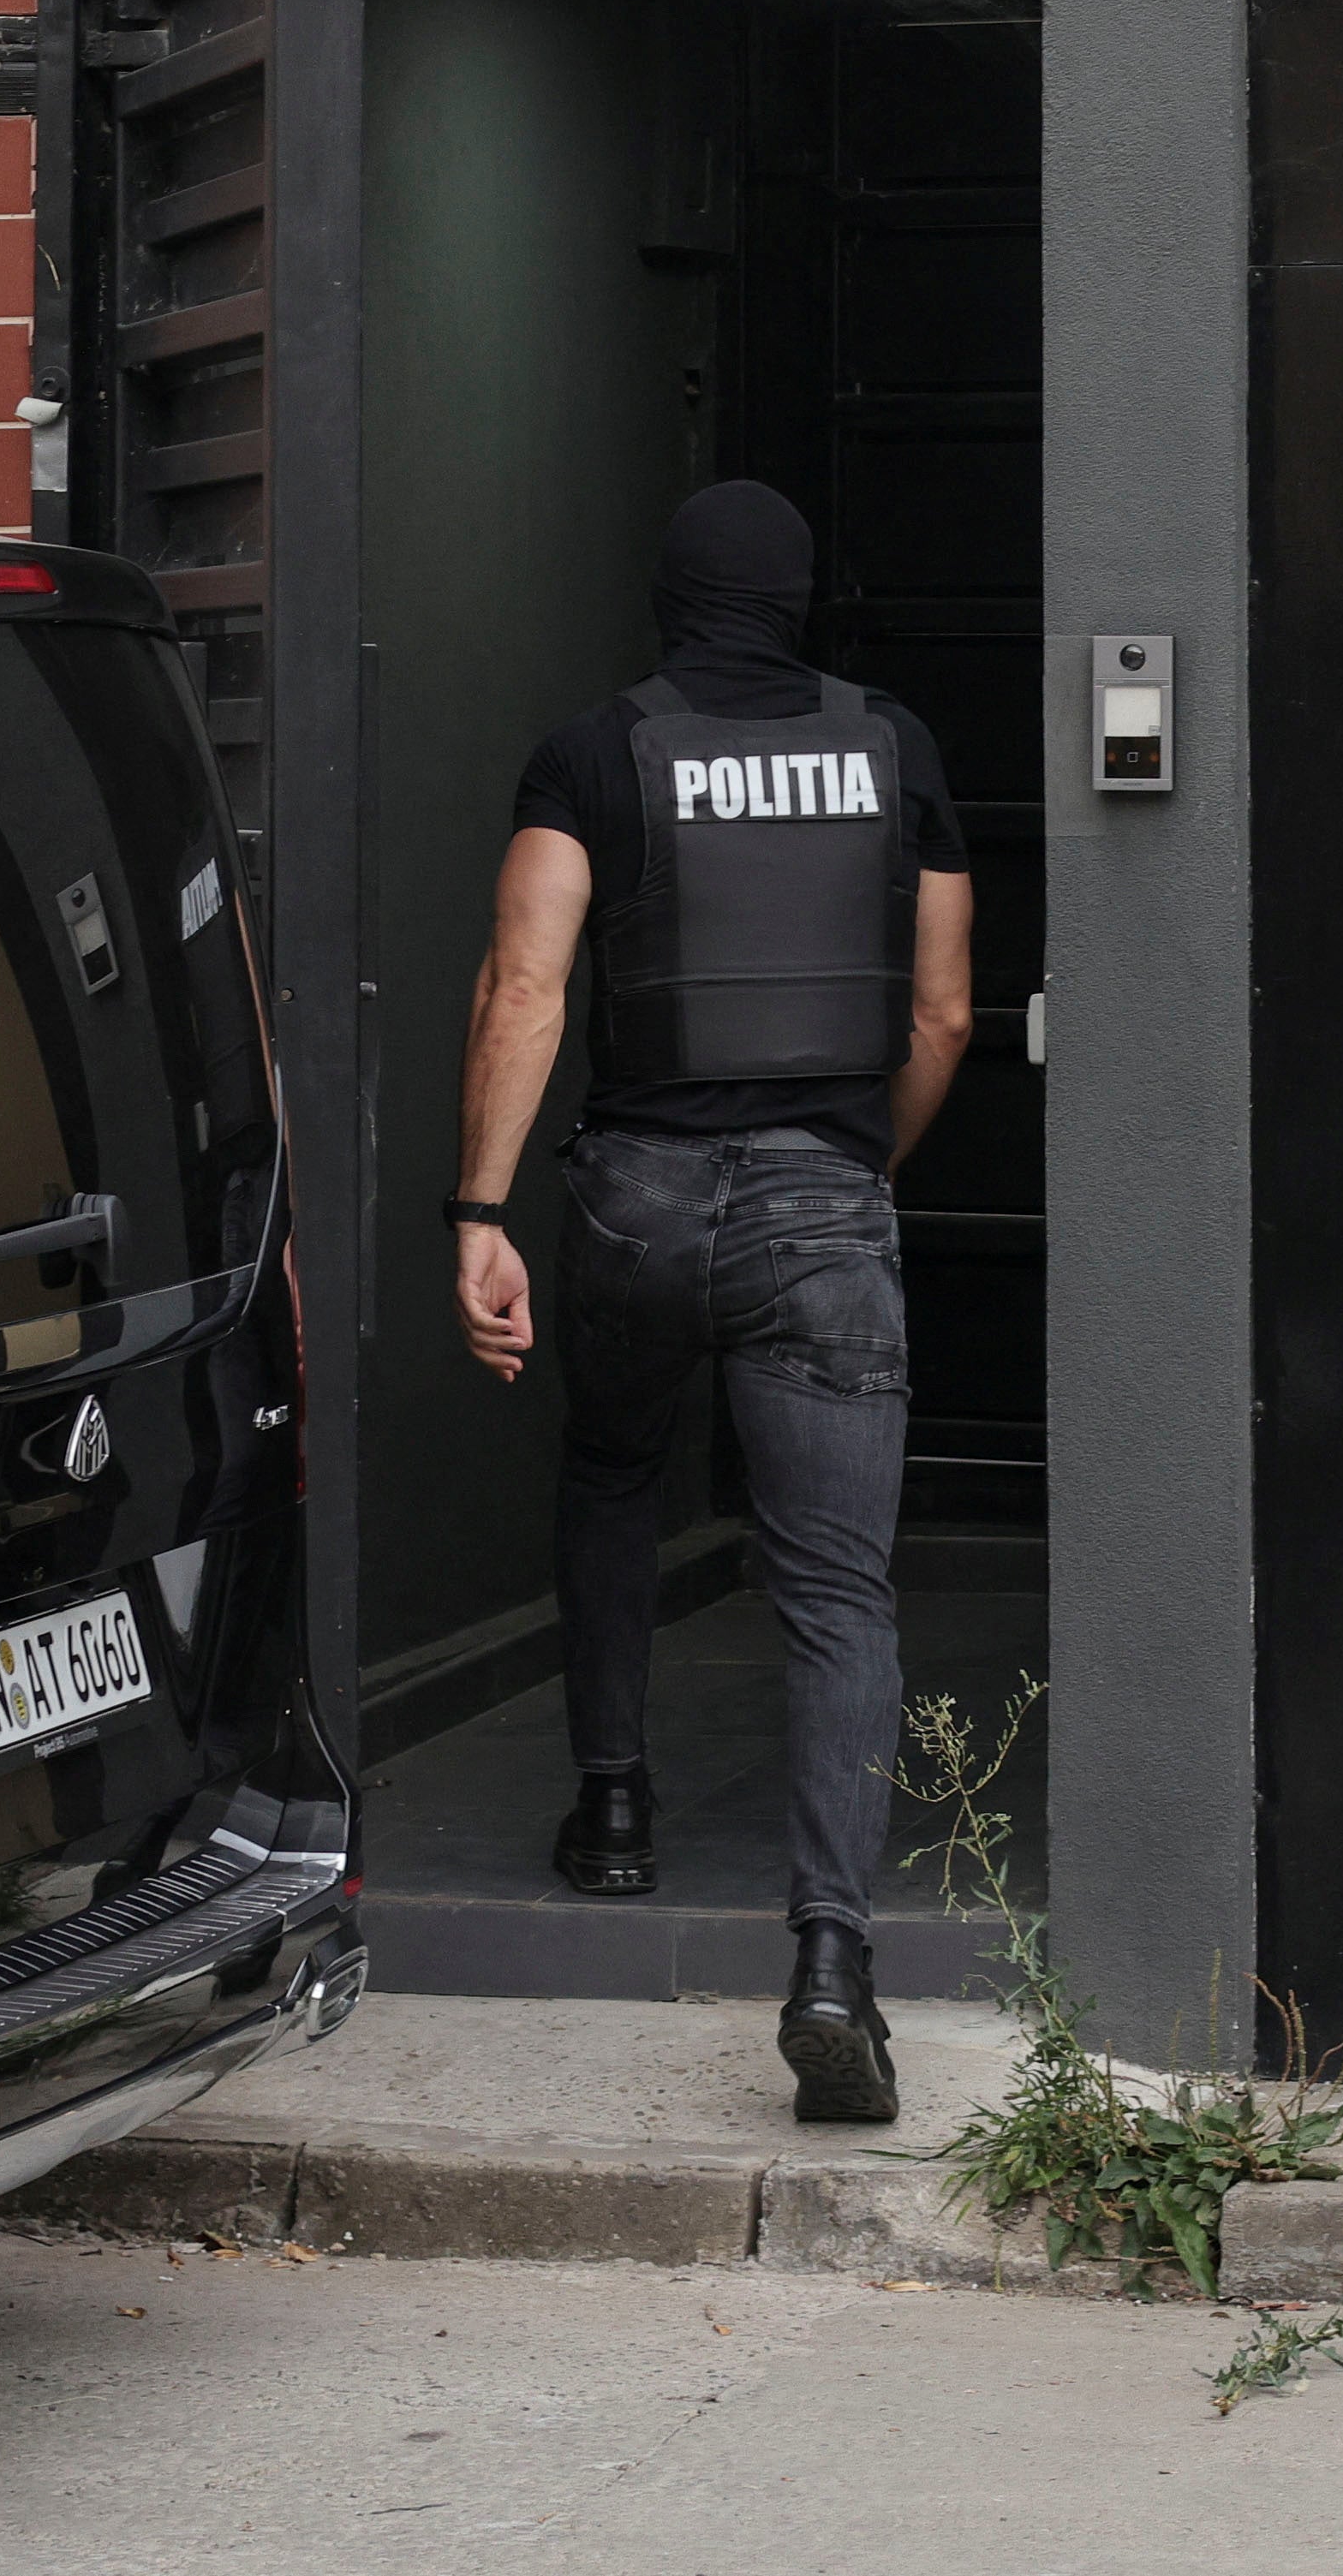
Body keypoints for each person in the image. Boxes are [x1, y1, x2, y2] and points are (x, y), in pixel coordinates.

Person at [446, 480, 976, 2126]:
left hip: (635, 1197)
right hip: (820, 1194)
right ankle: (829, 1960)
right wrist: (850, 1167)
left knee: (613, 1470)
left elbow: (525, 979)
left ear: (667, 597)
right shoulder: (892, 745)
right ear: (802, 595)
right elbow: (944, 1006)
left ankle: (613, 1807)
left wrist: (480, 1205)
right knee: (836, 1587)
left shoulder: (596, 749)